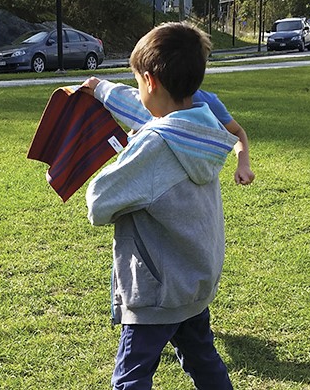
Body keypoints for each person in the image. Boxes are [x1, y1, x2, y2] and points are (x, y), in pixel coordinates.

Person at [84, 21, 237, 389]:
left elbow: (99, 203)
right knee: (203, 361)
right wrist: (101, 88)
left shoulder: (154, 146)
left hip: (157, 291)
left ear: (150, 81)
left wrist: (129, 151)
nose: (137, 92)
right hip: (193, 279)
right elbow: (142, 111)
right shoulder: (202, 126)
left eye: (137, 82)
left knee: (131, 379)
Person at [80, 82, 255, 185]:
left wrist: (243, 164)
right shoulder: (154, 102)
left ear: (151, 81)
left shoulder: (207, 102)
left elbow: (236, 131)